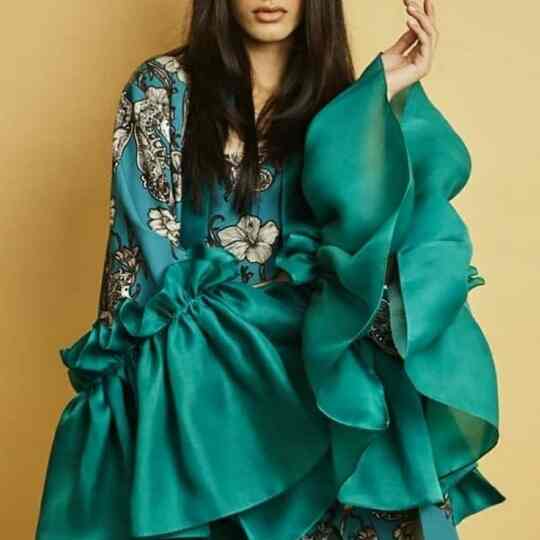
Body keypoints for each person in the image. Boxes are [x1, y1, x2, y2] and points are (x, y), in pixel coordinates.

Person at [34, 1, 506, 539]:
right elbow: (147, 274)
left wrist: (374, 99)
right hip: (205, 389)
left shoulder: (340, 105)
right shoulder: (162, 90)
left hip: (314, 382)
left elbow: (363, 253)